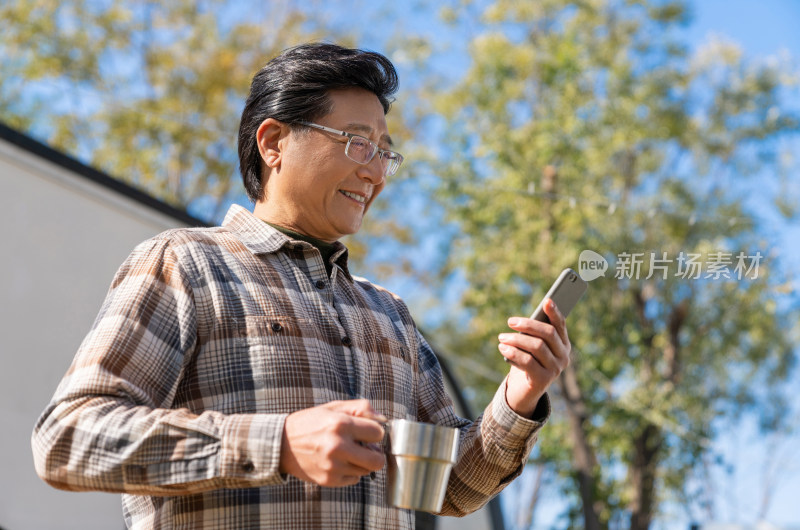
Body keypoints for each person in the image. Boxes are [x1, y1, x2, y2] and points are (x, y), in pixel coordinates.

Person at [32, 43, 572, 529]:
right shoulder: (186, 263)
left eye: (385, 151)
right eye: (357, 143)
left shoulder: (390, 315)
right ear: (273, 142)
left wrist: (520, 395)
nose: (377, 173)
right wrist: (279, 444)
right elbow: (69, 439)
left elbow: (449, 489)